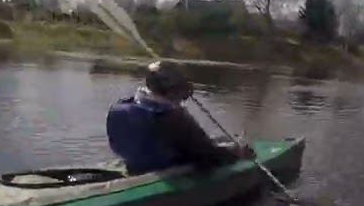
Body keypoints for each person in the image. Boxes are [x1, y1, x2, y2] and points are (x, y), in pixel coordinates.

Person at [106, 60, 254, 176]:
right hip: (166, 168)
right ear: (173, 90)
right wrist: (237, 153)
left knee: (219, 140)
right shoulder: (172, 117)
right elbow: (206, 155)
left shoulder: (122, 106)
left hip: (135, 165)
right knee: (219, 150)